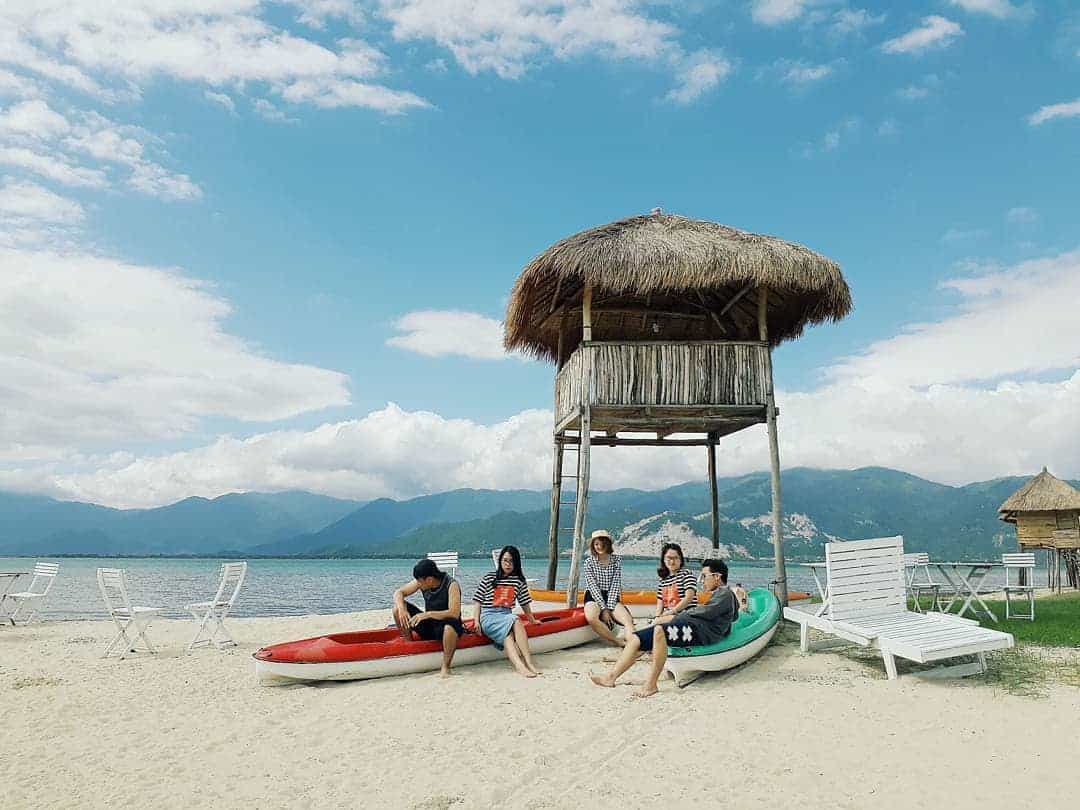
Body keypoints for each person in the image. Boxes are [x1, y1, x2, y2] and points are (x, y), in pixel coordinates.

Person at [590, 558, 738, 698]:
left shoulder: (725, 593)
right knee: (636, 638)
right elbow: (731, 615)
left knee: (659, 630)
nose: (702, 580)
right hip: (693, 627)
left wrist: (674, 615)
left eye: (704, 576)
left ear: (717, 577)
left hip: (702, 633)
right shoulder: (722, 594)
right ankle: (610, 677)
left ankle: (651, 685)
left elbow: (706, 612)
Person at [473, 545, 543, 678]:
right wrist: (476, 621)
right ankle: (526, 664)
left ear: (516, 563)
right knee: (515, 619)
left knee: (508, 636)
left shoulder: (518, 581)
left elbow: (524, 602)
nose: (508, 564)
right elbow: (477, 601)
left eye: (511, 561)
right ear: (500, 561)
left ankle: (524, 664)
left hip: (505, 615)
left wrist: (532, 619)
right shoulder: (490, 577)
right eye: (505, 560)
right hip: (488, 616)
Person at [392, 558, 464, 677]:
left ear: (429, 579)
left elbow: (454, 612)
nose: (418, 584)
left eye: (420, 582)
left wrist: (427, 614)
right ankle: (410, 644)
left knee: (449, 628)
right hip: (430, 625)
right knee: (396, 610)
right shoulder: (423, 581)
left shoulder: (452, 584)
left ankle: (445, 667)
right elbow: (398, 593)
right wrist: (402, 609)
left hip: (446, 625)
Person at [583, 529, 635, 646]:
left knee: (627, 619)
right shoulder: (588, 562)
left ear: (608, 544)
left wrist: (610, 608)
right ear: (593, 546)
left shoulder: (616, 560)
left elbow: (615, 584)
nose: (599, 546)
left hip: (611, 595)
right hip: (593, 595)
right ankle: (617, 641)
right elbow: (593, 586)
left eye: (602, 544)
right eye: (596, 544)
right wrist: (604, 609)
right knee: (591, 617)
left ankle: (633, 643)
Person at [653, 542, 697, 623]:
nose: (672, 562)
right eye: (669, 558)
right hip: (669, 617)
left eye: (676, 558)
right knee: (655, 624)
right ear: (664, 560)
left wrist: (672, 612)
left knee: (655, 624)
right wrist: (657, 617)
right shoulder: (663, 580)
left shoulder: (686, 574)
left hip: (687, 616)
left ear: (681, 560)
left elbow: (689, 598)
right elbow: (660, 603)